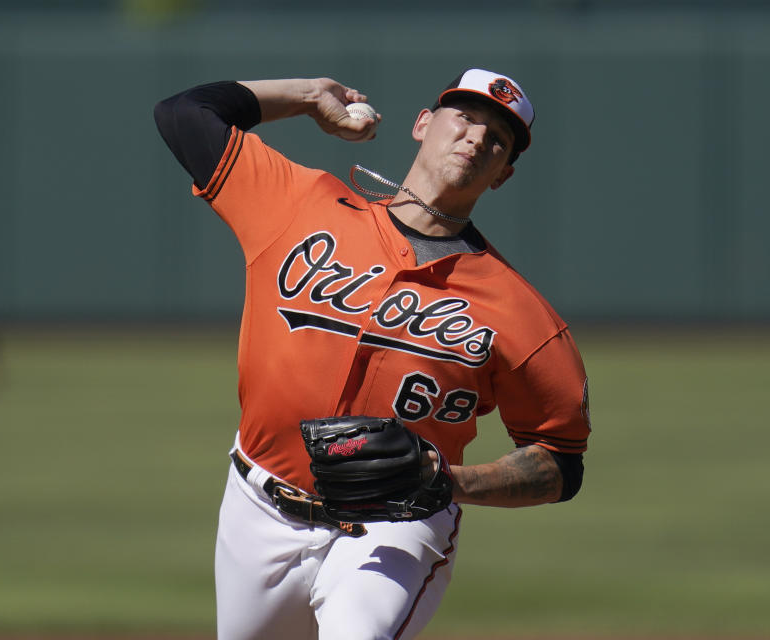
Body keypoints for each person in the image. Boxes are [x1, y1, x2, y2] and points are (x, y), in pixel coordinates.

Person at [154, 68, 592, 640]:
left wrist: (448, 482)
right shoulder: (299, 204)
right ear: (423, 124)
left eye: (497, 139)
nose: (476, 138)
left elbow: (560, 460)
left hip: (394, 524)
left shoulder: (520, 313)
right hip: (255, 508)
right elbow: (184, 114)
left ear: (503, 174)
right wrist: (309, 97)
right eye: (465, 117)